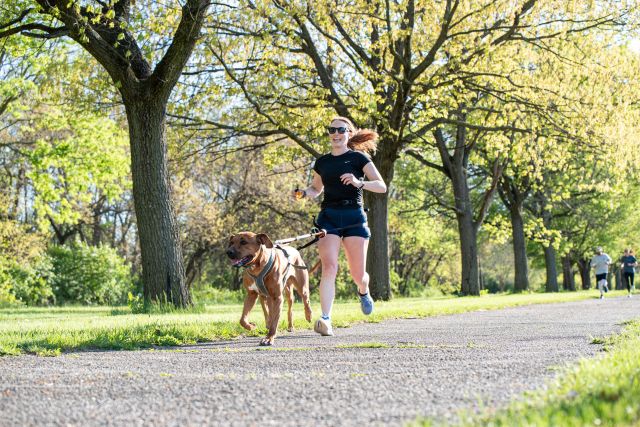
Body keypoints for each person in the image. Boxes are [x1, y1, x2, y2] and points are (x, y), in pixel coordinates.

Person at [293, 117, 387, 336]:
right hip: (330, 218)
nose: (335, 133)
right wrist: (304, 193)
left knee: (358, 274)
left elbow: (381, 186)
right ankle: (326, 319)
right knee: (330, 267)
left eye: (340, 130)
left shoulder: (358, 158)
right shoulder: (322, 162)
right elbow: (316, 189)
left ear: (348, 133)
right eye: (332, 130)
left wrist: (359, 182)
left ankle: (364, 291)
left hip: (354, 216)